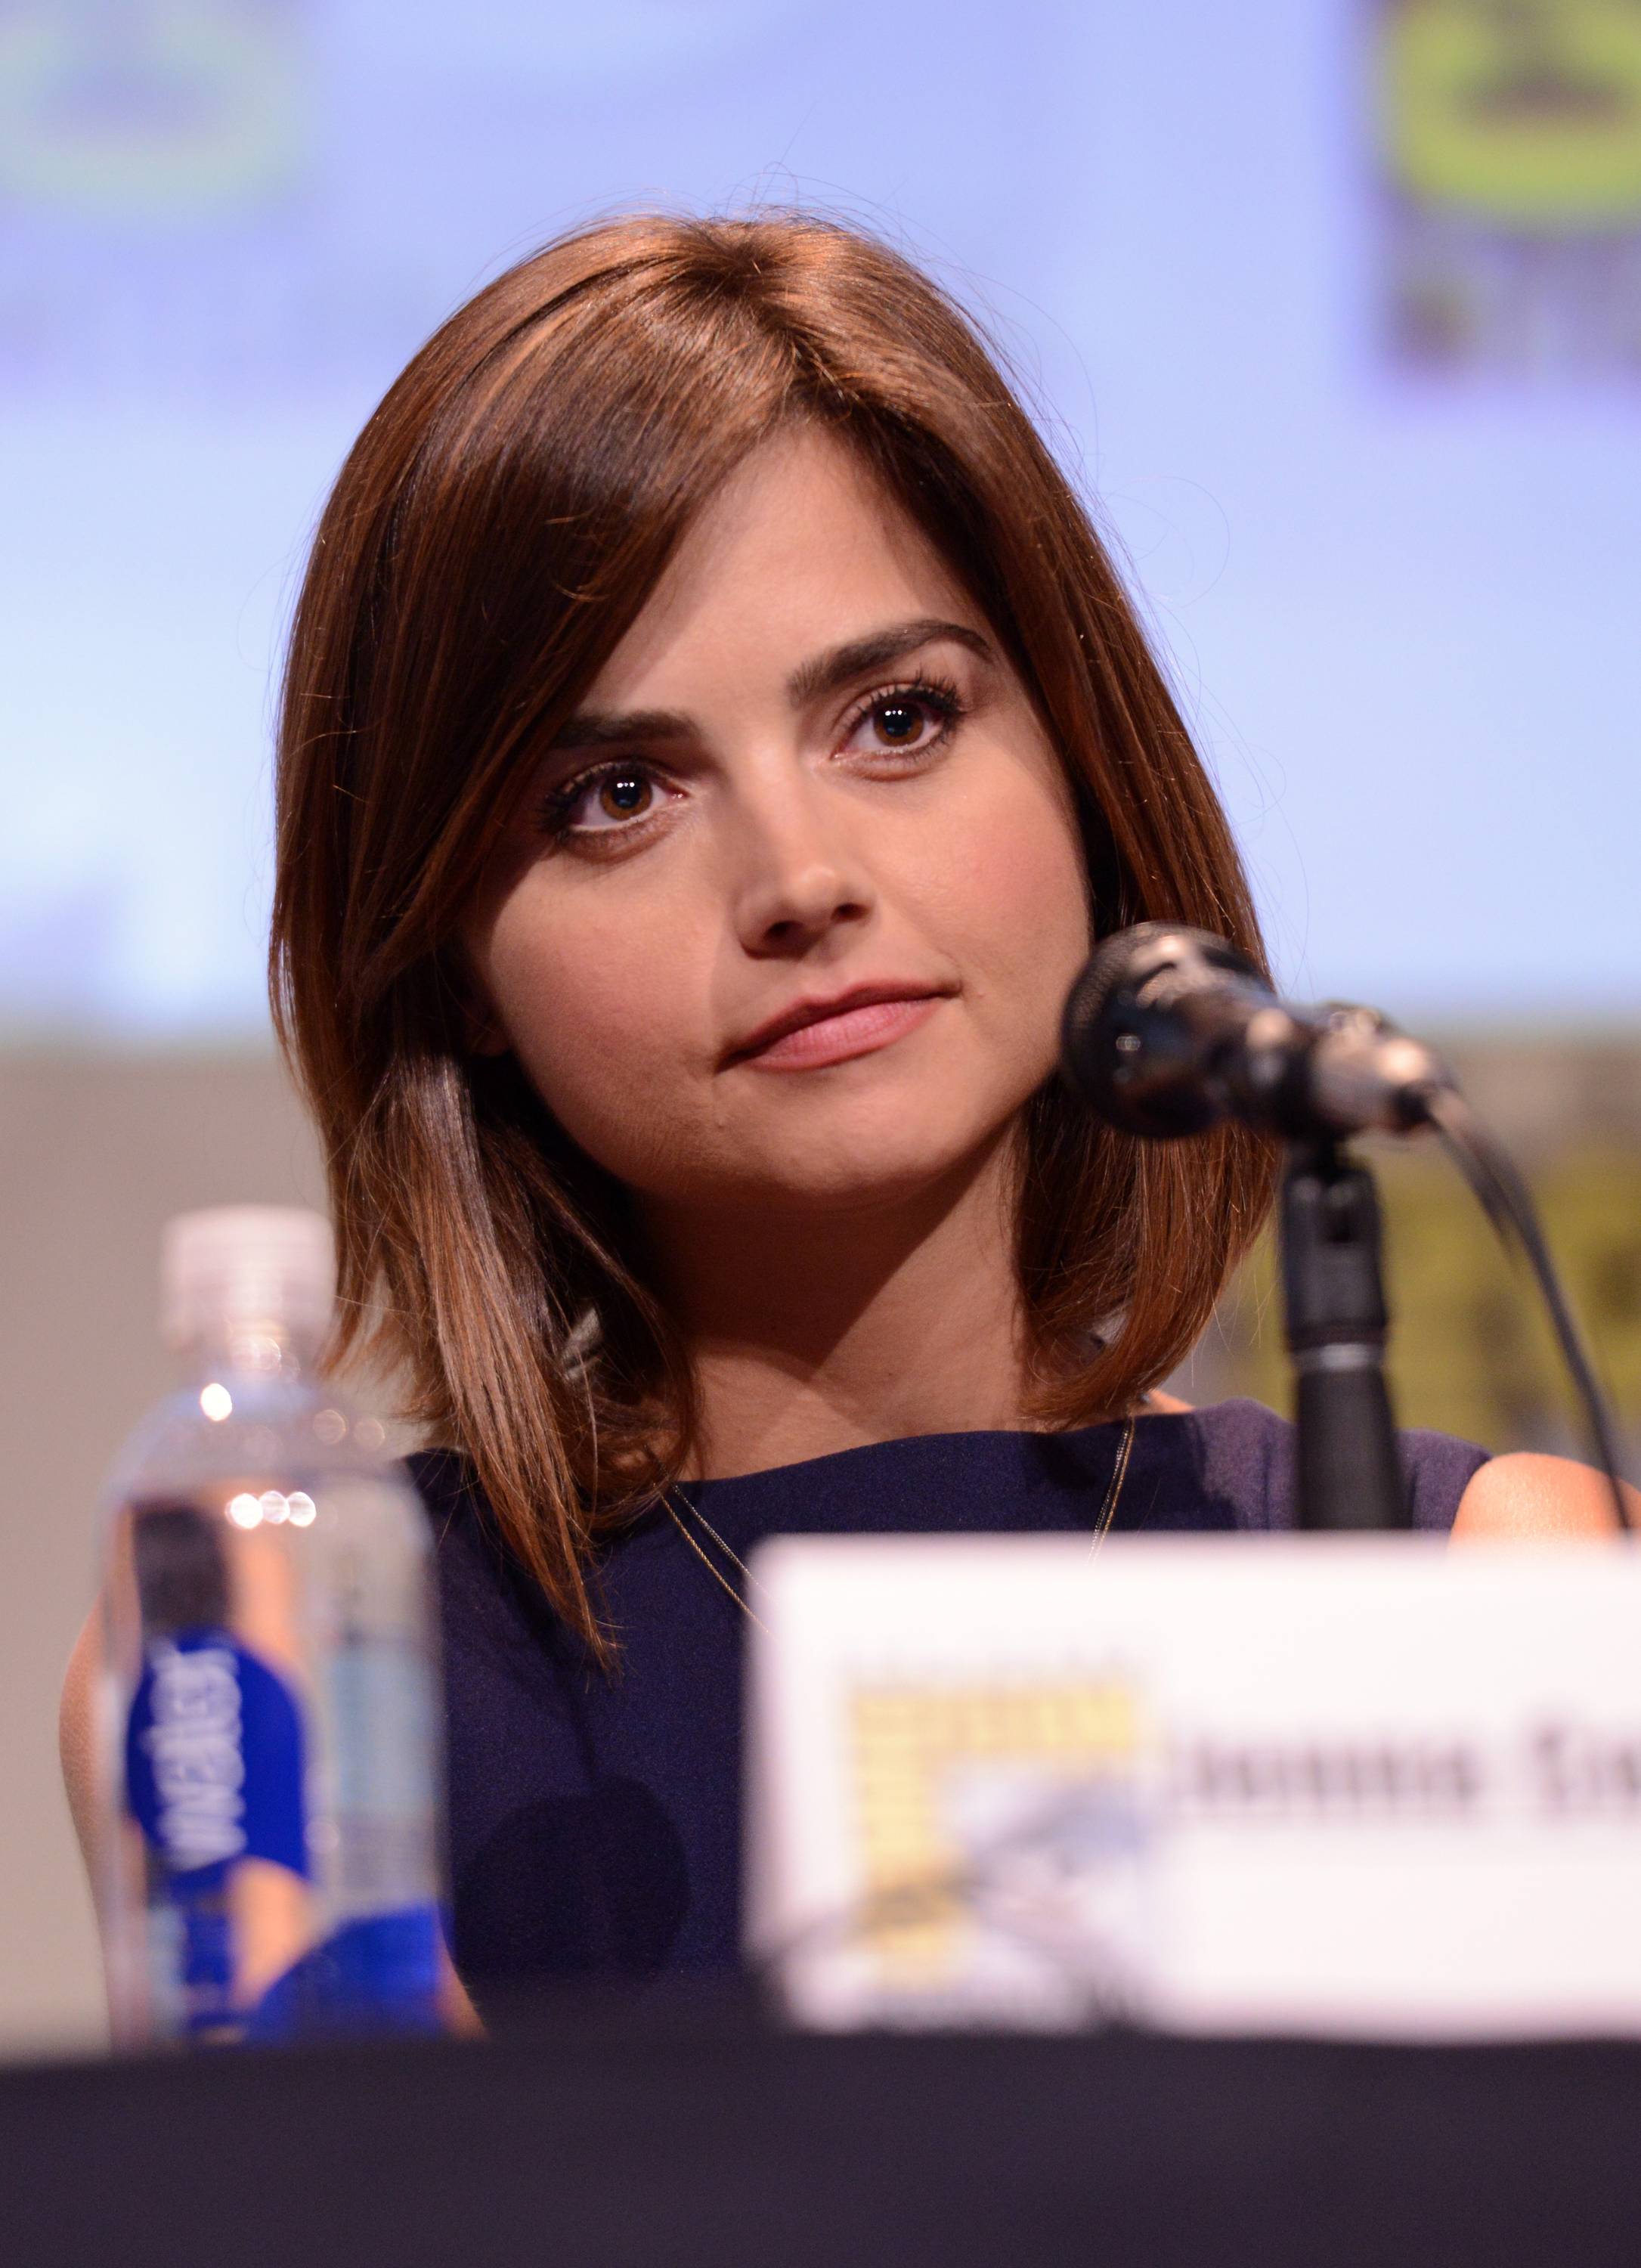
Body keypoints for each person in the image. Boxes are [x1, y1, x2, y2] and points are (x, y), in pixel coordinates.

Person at [63, 210, 1623, 2009]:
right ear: (450, 962)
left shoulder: (1509, 1582)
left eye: (896, 717)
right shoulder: (282, 1671)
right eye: (617, 794)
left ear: (1083, 763)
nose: (800, 880)